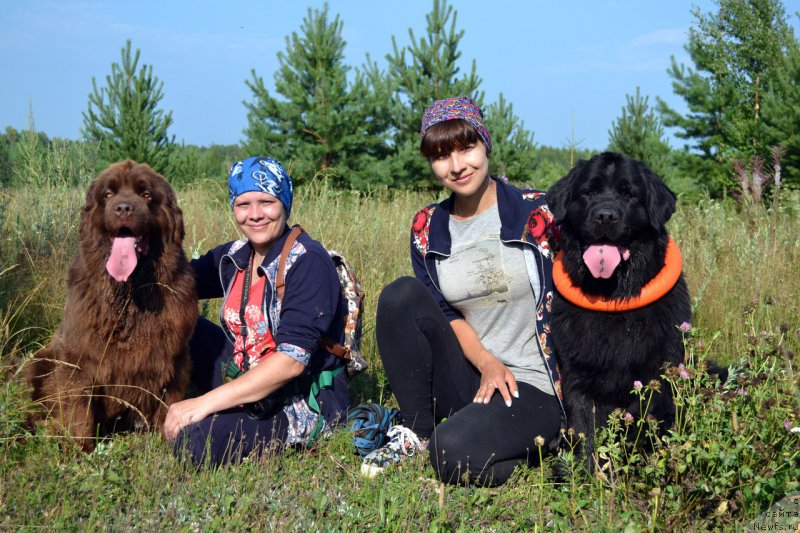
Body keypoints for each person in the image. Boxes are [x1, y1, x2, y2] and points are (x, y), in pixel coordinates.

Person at [364, 97, 565, 486]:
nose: (457, 166)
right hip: (474, 375)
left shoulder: (539, 213)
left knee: (452, 452)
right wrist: (487, 362)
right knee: (400, 296)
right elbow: (445, 312)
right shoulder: (427, 226)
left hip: (536, 383)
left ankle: (539, 447)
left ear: (485, 144)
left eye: (466, 148)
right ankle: (417, 433)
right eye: (441, 156)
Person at [163, 156, 349, 466]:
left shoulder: (308, 262)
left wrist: (201, 405)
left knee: (194, 444)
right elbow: (176, 281)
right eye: (243, 204)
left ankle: (226, 413)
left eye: (266, 202)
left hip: (297, 400)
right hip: (247, 370)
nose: (255, 215)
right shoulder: (234, 255)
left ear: (285, 203)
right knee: (185, 325)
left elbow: (290, 363)